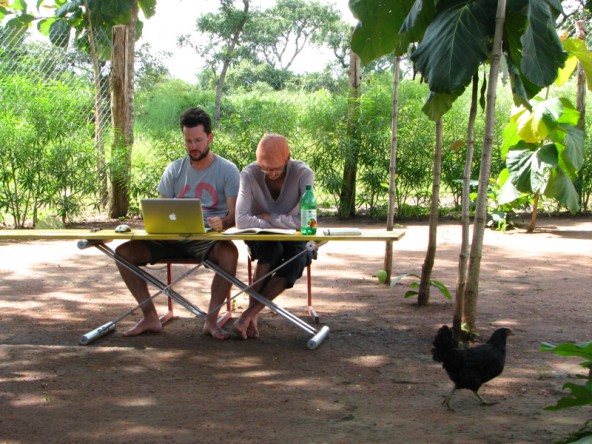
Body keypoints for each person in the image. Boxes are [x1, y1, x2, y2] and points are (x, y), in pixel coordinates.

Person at [115, 107, 240, 340]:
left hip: (206, 239)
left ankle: (211, 321)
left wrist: (222, 222)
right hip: (172, 237)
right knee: (123, 253)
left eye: (198, 141)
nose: (193, 147)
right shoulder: (174, 169)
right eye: (188, 141)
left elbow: (234, 216)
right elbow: (161, 210)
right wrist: (160, 225)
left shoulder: (227, 170)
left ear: (210, 138)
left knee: (230, 255)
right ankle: (150, 317)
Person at [233, 134, 314, 340]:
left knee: (301, 255)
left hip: (295, 236)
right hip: (261, 236)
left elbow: (307, 222)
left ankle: (249, 315)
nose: (270, 173)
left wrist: (270, 217)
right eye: (265, 168)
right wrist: (280, 221)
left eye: (275, 168)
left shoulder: (303, 173)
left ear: (288, 159)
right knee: (271, 249)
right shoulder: (250, 173)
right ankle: (252, 316)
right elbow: (241, 220)